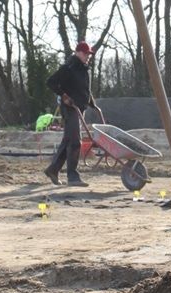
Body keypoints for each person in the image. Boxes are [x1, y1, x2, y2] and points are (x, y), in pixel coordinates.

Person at [45, 41, 102, 187]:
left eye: (89, 54)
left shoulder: (84, 70)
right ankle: (73, 176)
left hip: (80, 108)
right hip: (70, 108)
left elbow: (85, 90)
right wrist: (64, 96)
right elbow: (51, 82)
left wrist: (93, 104)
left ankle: (53, 169)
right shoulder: (68, 68)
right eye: (85, 54)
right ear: (77, 53)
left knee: (68, 140)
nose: (88, 56)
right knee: (75, 141)